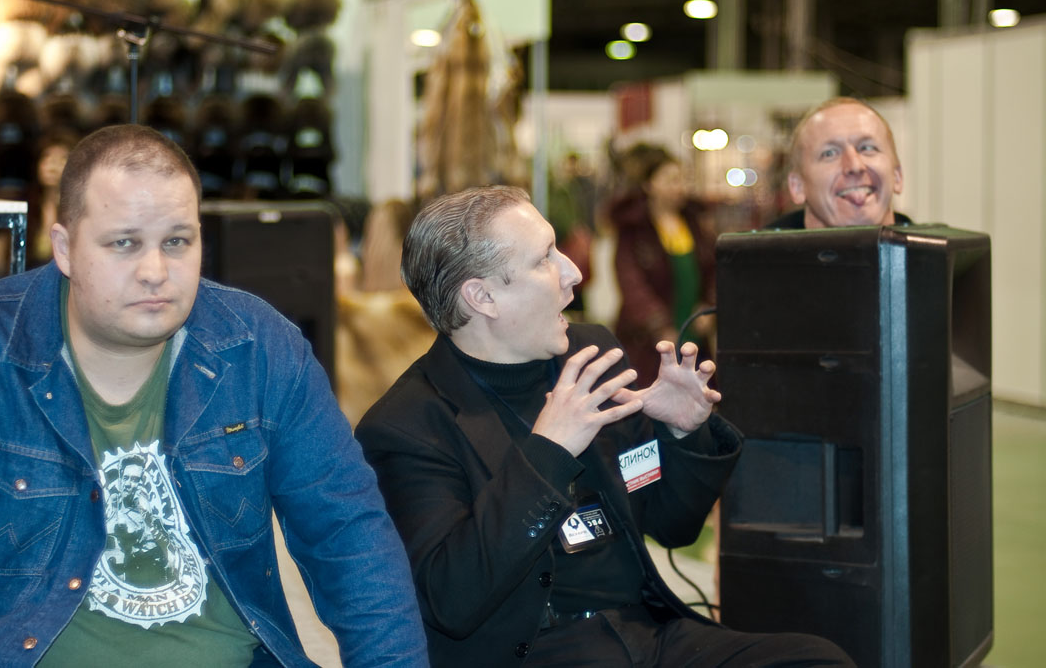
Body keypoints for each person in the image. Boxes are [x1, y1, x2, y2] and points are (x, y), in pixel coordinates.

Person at [0, 124, 428, 666]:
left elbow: (352, 540)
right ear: (65, 248)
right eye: (124, 243)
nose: (155, 270)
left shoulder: (260, 349)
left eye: (177, 241)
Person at [355, 185, 853, 667]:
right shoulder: (408, 426)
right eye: (544, 259)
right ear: (482, 297)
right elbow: (452, 598)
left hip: (644, 633)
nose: (573, 272)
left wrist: (682, 434)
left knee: (817, 660)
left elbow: (671, 524)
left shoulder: (590, 355)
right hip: (540, 650)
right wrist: (548, 452)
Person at [608, 144, 716, 380]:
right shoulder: (633, 228)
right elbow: (631, 283)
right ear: (649, 184)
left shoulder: (695, 223)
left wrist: (709, 308)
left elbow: (712, 272)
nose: (679, 187)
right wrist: (658, 325)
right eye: (670, 180)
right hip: (647, 342)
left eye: (682, 179)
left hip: (693, 334)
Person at [771, 96, 911, 229]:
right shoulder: (761, 247)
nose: (855, 166)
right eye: (829, 154)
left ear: (897, 176)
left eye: (867, 148)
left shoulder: (924, 246)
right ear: (797, 187)